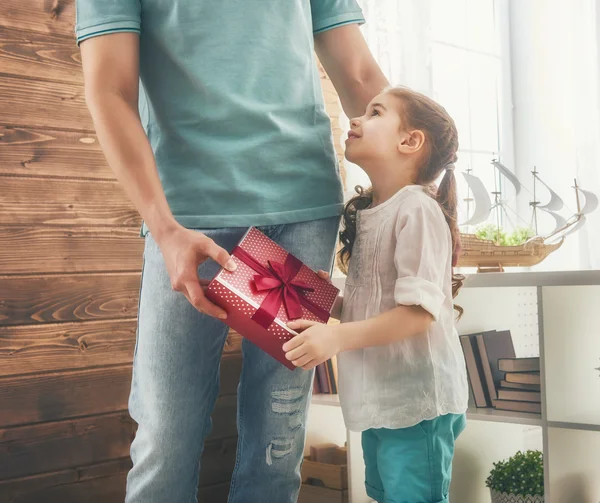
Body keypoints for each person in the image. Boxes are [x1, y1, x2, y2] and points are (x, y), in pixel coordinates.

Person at [76, 1, 388, 502]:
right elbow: (109, 90)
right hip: (188, 221)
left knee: (277, 441)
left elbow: (358, 72)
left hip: (300, 211)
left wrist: (419, 193)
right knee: (165, 435)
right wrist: (164, 228)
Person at [283, 86, 469, 503]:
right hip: (380, 400)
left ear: (410, 141)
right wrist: (331, 300)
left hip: (416, 403)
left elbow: (418, 314)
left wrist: (334, 337)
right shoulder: (373, 211)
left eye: (375, 113)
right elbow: (374, 307)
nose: (356, 120)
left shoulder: (417, 209)